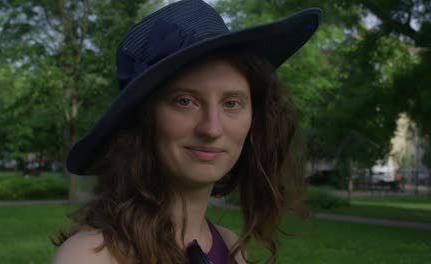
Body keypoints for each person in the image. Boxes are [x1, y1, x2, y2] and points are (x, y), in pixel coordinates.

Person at [52, 0, 321, 263]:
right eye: (185, 101)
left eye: (231, 103)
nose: (212, 128)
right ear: (143, 119)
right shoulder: (91, 257)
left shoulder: (231, 248)